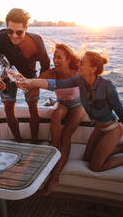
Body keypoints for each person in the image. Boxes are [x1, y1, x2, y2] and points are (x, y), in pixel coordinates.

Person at [17, 51, 123, 173]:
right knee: (87, 158)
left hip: (112, 129)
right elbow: (56, 84)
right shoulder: (79, 80)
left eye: (82, 63)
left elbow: (121, 112)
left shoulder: (107, 87)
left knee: (96, 167)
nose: (78, 64)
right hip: (98, 128)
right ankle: (122, 148)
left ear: (93, 69)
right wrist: (30, 82)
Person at [0, 8, 50, 143]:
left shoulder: (37, 41)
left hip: (30, 77)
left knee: (33, 107)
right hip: (7, 76)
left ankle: (35, 142)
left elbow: (46, 65)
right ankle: (18, 141)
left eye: (19, 32)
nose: (14, 36)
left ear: (26, 28)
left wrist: (37, 85)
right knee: (8, 108)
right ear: (6, 27)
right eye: (10, 31)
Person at [31, 43, 86, 195]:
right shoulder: (52, 73)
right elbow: (36, 81)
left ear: (68, 59)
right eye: (54, 57)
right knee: (55, 115)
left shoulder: (77, 71)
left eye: (60, 57)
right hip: (62, 103)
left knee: (67, 134)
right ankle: (55, 150)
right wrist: (33, 87)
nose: (56, 60)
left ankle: (55, 177)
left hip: (79, 104)